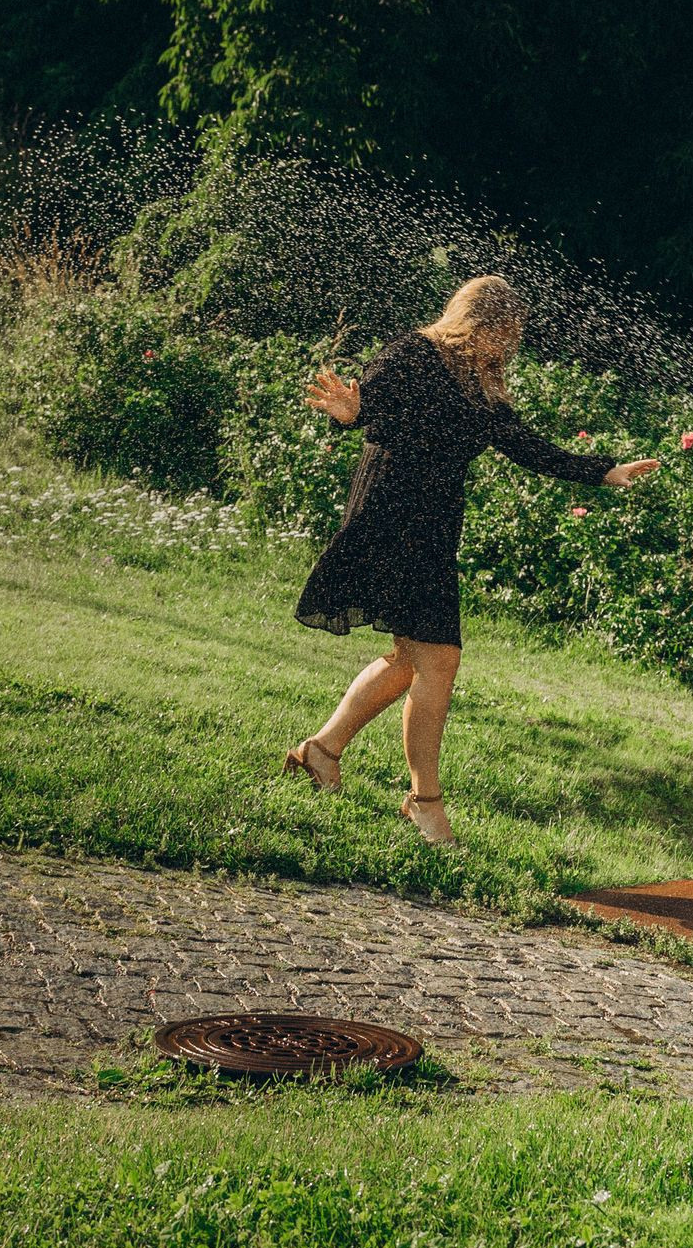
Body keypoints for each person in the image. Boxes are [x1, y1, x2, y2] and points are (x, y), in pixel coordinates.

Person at [282, 275, 659, 843]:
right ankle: (424, 802)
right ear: (476, 323)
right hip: (391, 517)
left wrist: (602, 471)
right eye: (503, 334)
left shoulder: (480, 382)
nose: (508, 346)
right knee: (439, 659)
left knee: (411, 659)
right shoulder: (413, 352)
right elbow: (371, 407)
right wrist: (350, 412)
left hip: (431, 528)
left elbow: (524, 444)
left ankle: (322, 751)